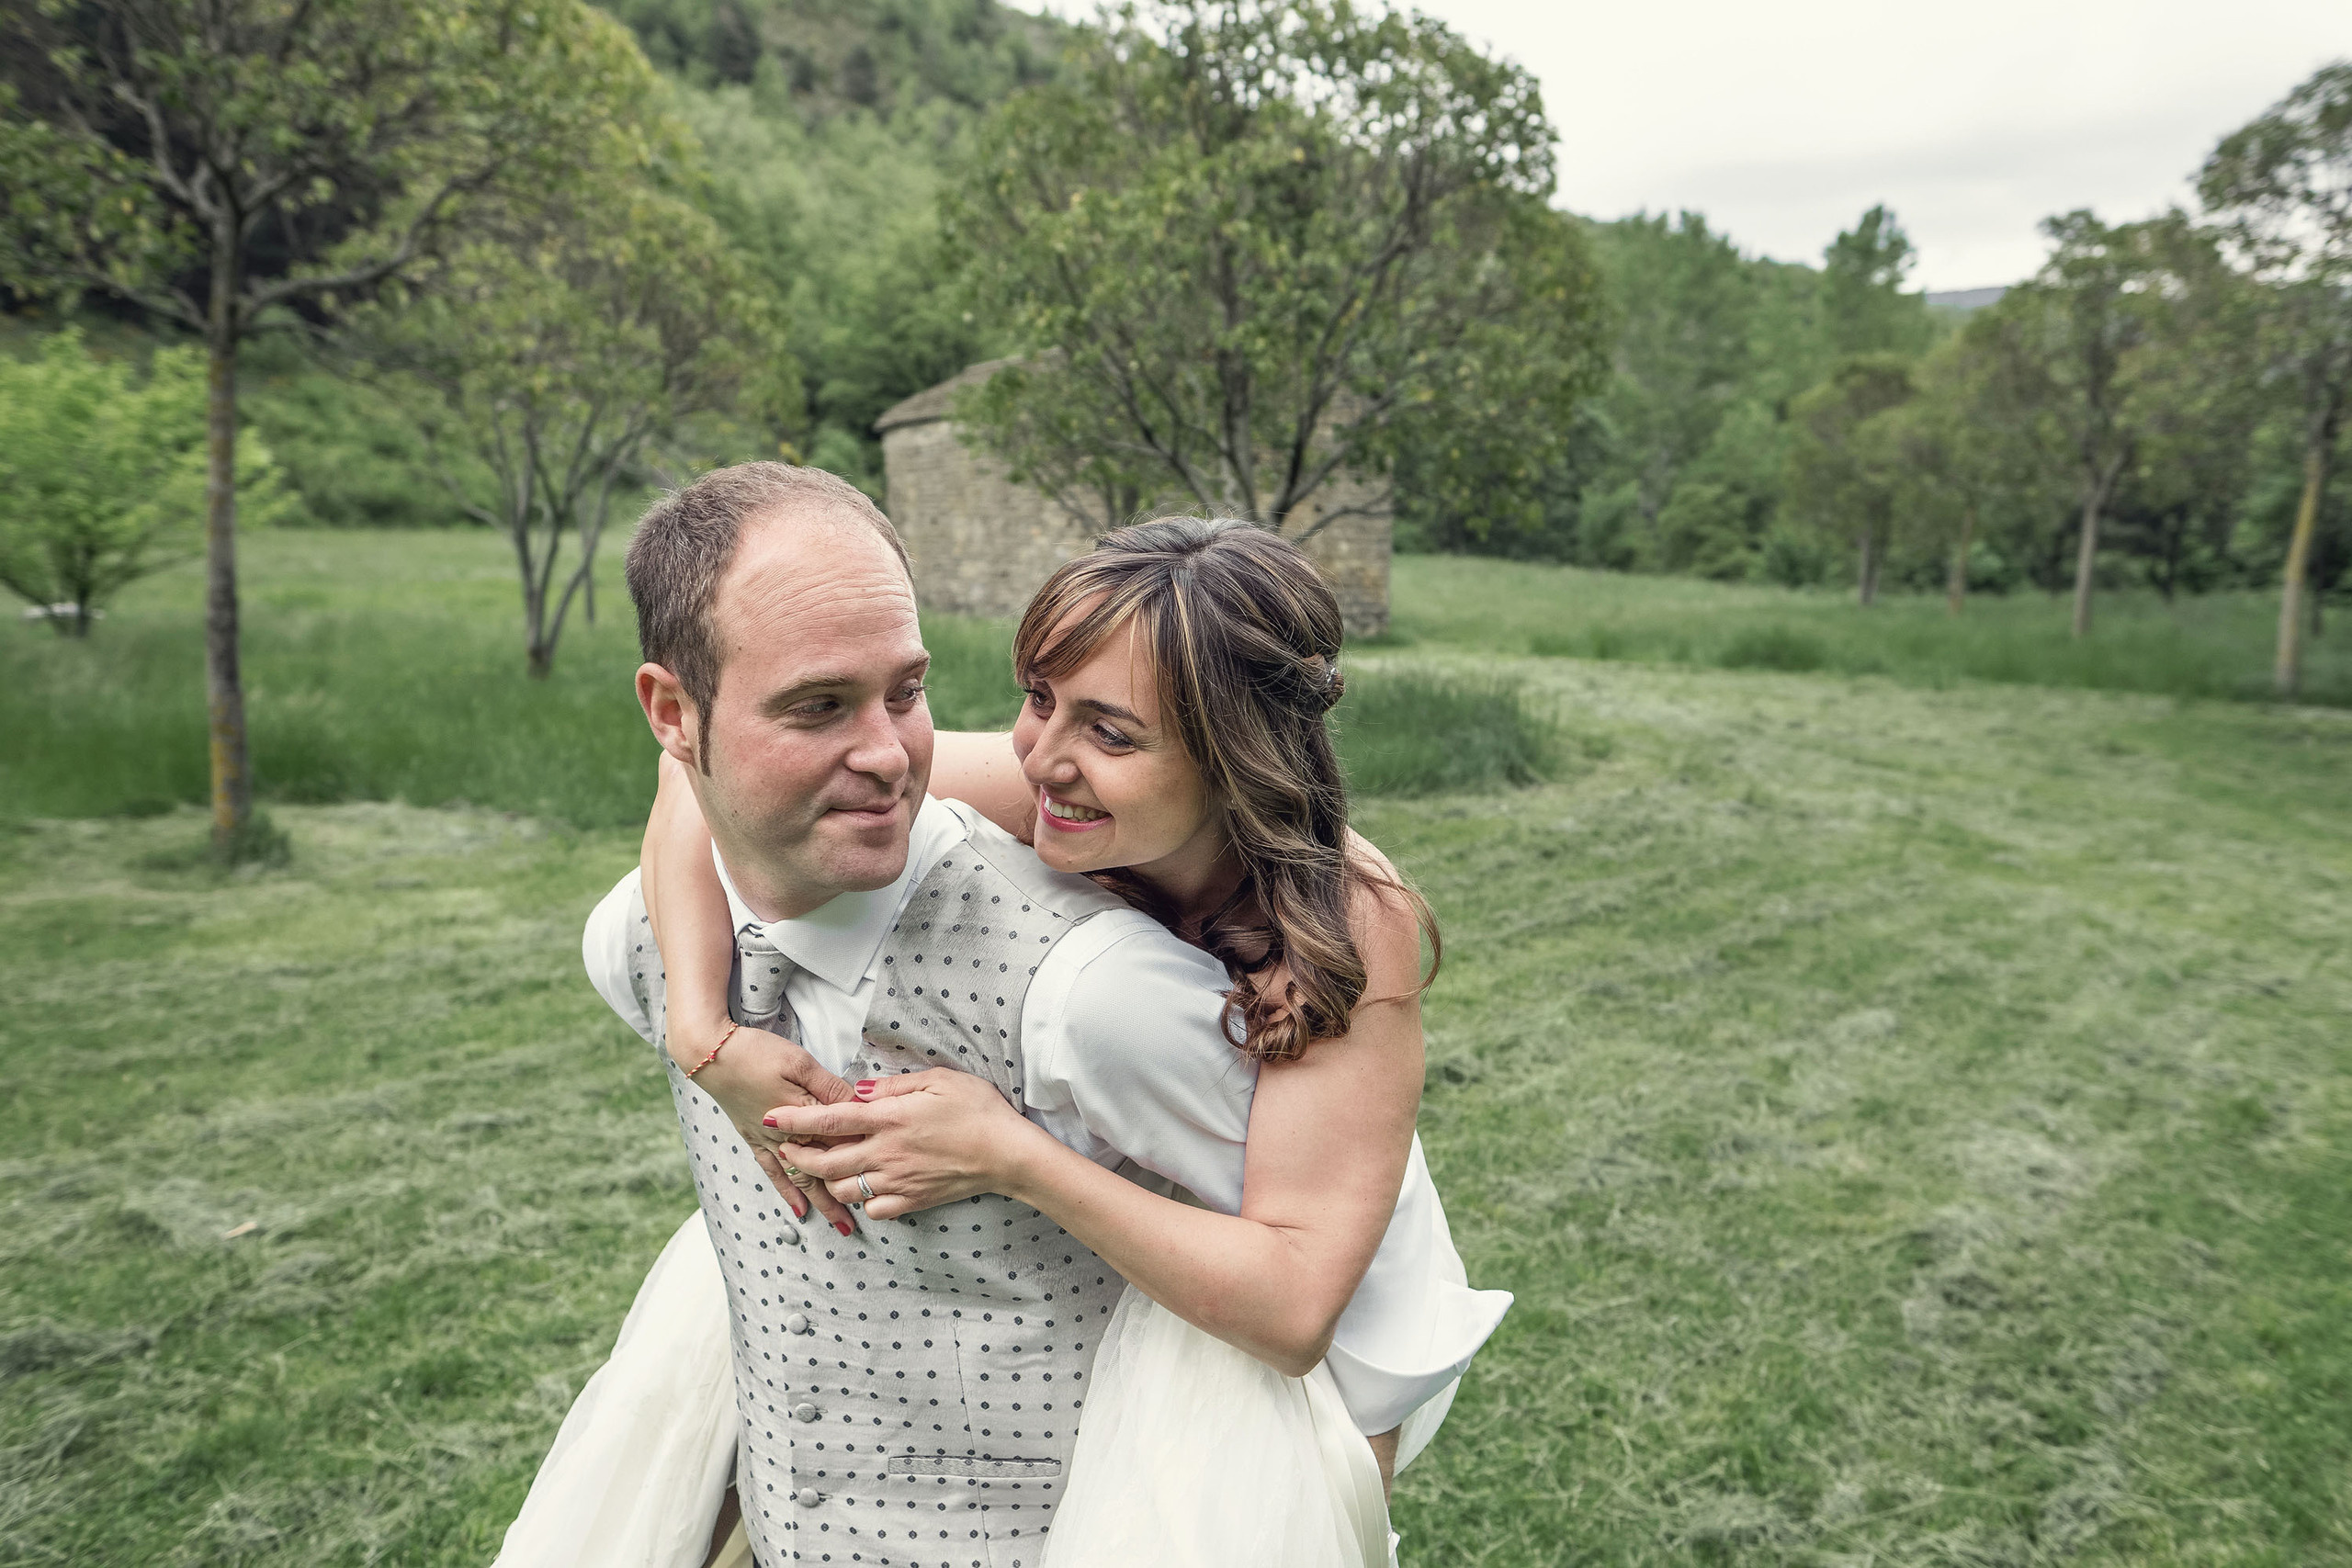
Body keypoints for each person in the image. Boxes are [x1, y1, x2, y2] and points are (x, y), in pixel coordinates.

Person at [496, 466, 1505, 1568]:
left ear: (1227, 758)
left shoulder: (1348, 914)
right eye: (1037, 699)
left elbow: (1298, 1302)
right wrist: (707, 1037)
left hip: (1322, 1292)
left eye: (1110, 732)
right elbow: (693, 773)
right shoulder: (1044, 785)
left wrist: (1014, 1157)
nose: (1041, 757)